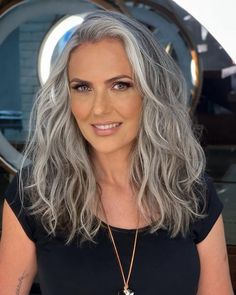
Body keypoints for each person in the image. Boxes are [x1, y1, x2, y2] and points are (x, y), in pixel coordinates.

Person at [0, 10, 234, 295]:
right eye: (82, 87)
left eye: (120, 85)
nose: (99, 109)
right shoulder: (35, 195)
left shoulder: (193, 195)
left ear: (150, 93)